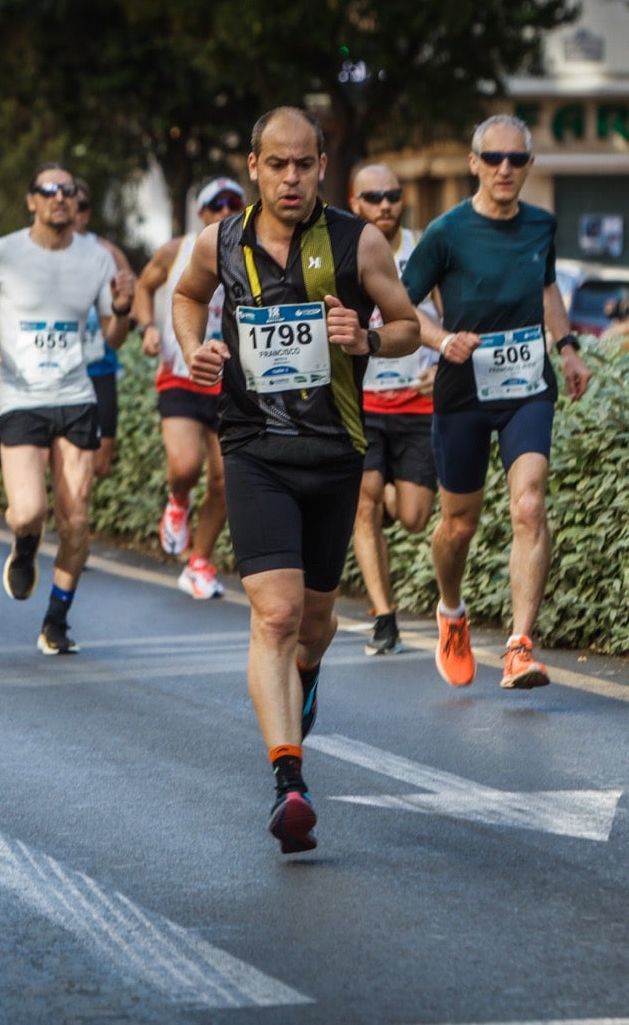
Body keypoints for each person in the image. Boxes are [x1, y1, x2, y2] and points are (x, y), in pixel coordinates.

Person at [172, 107, 421, 854]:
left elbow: (406, 322)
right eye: (276, 164)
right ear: (253, 165)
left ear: (321, 167)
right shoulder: (220, 242)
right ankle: (289, 783)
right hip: (253, 447)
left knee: (313, 622)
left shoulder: (356, 240)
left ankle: (308, 670)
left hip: (335, 451)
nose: (290, 178)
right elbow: (188, 298)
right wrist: (197, 349)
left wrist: (369, 337)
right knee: (274, 615)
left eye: (303, 165)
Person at [401, 114, 592, 691]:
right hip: (463, 387)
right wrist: (440, 340)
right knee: (458, 524)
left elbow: (546, 287)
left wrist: (568, 348)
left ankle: (518, 645)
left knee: (529, 507)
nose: (504, 169)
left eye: (516, 160)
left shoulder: (541, 225)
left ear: (529, 166)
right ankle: (452, 612)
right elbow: (399, 305)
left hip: (527, 385)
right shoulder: (446, 232)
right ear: (474, 163)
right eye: (493, 159)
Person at [0, 163, 135, 655]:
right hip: (20, 395)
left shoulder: (95, 258)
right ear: (31, 200)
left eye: (68, 191)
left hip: (75, 395)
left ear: (77, 201)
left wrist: (121, 310)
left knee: (75, 520)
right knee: (29, 511)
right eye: (48, 190)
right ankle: (26, 544)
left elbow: (112, 338)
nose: (59, 197)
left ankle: (56, 620)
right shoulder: (3, 254)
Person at [132, 177, 246, 600]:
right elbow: (145, 286)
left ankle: (199, 562)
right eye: (215, 205)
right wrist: (147, 327)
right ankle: (177, 500)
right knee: (185, 466)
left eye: (233, 204)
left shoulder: (252, 254)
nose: (224, 212)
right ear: (201, 213)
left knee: (223, 479)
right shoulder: (176, 250)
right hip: (180, 373)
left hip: (228, 381)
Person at [348, 163, 443, 655]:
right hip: (361, 399)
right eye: (374, 197)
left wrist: (445, 361)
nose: (385, 204)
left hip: (416, 402)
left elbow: (450, 313)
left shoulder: (426, 245)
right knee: (363, 497)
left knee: (413, 517)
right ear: (356, 202)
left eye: (393, 195)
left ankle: (387, 494)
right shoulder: (346, 246)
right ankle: (385, 618)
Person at [73, 178, 136, 480]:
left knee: (100, 464)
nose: (75, 213)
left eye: (82, 207)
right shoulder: (40, 254)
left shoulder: (108, 253)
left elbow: (129, 304)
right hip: (59, 370)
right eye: (71, 205)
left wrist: (122, 311)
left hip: (100, 367)